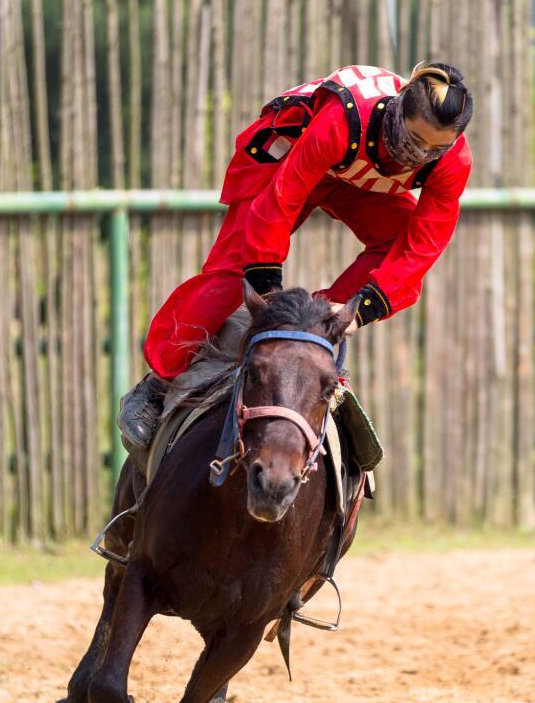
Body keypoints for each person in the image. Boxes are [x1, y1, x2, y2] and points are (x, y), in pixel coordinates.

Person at [118, 60, 474, 456]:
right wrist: (268, 291)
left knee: (397, 241)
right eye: (414, 140)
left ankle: (317, 327)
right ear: (398, 108)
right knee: (234, 272)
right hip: (287, 159)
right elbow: (283, 195)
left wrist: (354, 312)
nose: (419, 155)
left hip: (351, 178)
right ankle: (158, 384)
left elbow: (423, 246)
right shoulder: (341, 120)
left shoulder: (452, 160)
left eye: (434, 148)